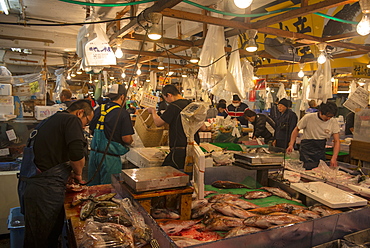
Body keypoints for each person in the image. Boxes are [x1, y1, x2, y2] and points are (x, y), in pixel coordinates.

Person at [21, 100, 93, 248]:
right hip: (44, 191)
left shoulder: (53, 120)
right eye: (87, 121)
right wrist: (78, 174)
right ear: (80, 113)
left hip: (33, 186)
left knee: (42, 238)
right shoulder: (72, 119)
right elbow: (76, 153)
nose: (85, 126)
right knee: (41, 241)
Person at [147, 84, 205, 170]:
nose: (166, 101)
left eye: (166, 98)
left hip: (179, 150)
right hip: (193, 149)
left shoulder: (173, 106)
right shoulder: (192, 105)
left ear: (169, 95)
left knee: (166, 172)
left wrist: (153, 111)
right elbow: (203, 127)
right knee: (189, 176)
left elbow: (158, 123)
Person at [88, 84, 134, 185]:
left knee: (92, 190)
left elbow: (91, 131)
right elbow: (126, 138)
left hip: (94, 155)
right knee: (109, 190)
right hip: (110, 159)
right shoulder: (123, 113)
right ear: (122, 97)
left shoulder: (99, 109)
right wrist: (131, 141)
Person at [287, 102, 340, 169]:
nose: (329, 118)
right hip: (307, 148)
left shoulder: (333, 121)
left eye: (331, 116)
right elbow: (296, 129)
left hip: (320, 149)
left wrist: (334, 158)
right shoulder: (308, 117)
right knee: (305, 171)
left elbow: (336, 141)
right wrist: (291, 144)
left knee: (320, 171)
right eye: (327, 116)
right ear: (320, 112)